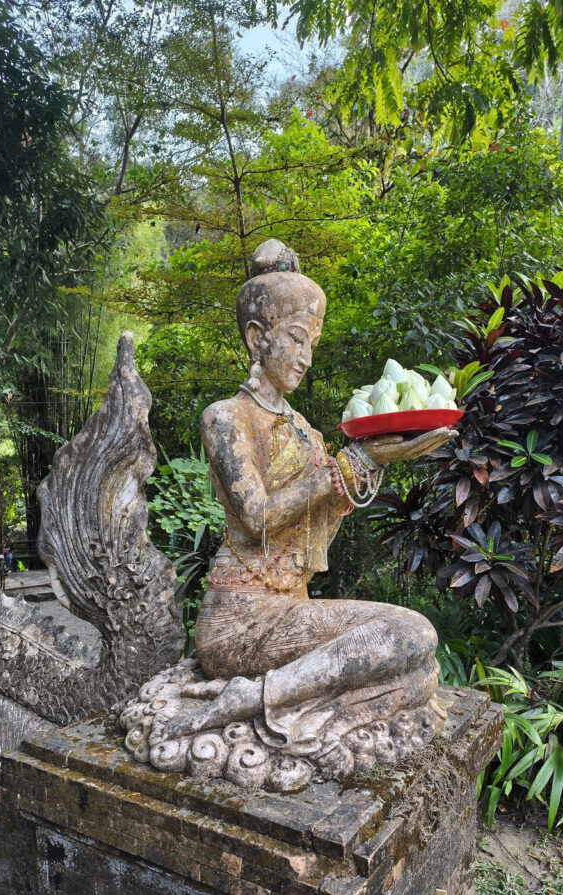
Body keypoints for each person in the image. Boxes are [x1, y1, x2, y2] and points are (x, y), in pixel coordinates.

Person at [158, 240, 456, 767]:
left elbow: (314, 536)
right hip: (239, 622)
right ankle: (253, 696)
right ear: (257, 338)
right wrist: (338, 472)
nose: (304, 357)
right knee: (412, 633)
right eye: (295, 339)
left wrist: (371, 463)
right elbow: (256, 519)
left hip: (289, 607)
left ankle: (272, 697)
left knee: (418, 663)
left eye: (311, 343)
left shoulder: (305, 433)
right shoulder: (226, 418)